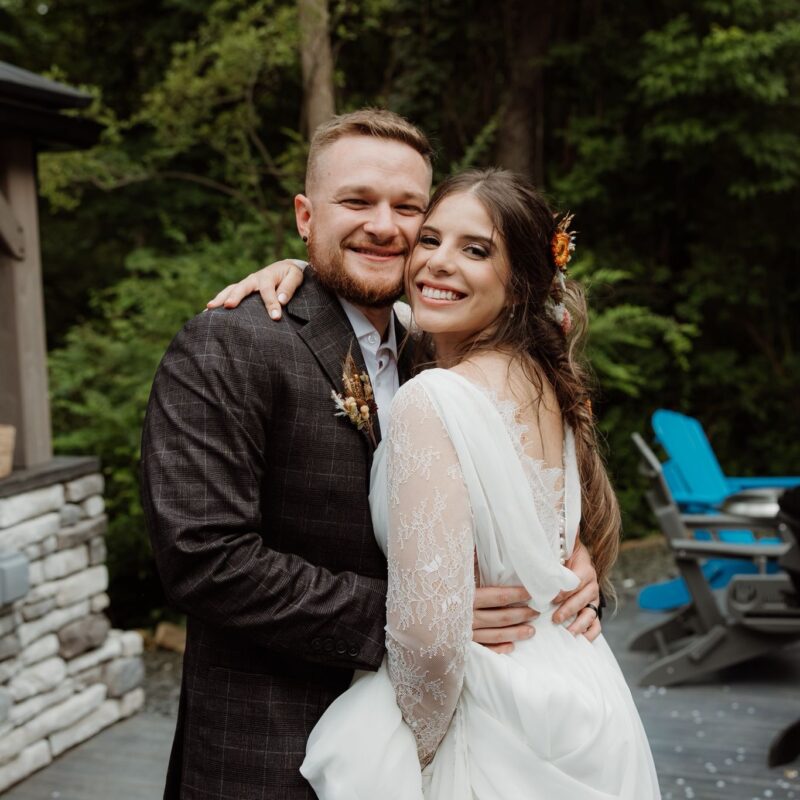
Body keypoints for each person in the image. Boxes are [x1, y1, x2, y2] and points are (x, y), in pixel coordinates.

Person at [141, 109, 602, 800]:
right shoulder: (228, 345)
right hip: (271, 749)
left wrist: (573, 563)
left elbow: (520, 489)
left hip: (454, 744)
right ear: (306, 216)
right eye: (356, 201)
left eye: (408, 208)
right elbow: (204, 557)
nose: (384, 226)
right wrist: (419, 618)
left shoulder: (439, 348)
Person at [222, 168, 660, 798]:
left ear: (520, 283)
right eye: (429, 240)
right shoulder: (546, 379)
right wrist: (299, 268)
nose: (438, 262)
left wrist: (420, 758)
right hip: (579, 692)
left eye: (475, 250)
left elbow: (429, 641)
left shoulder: (434, 396)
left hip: (485, 714)